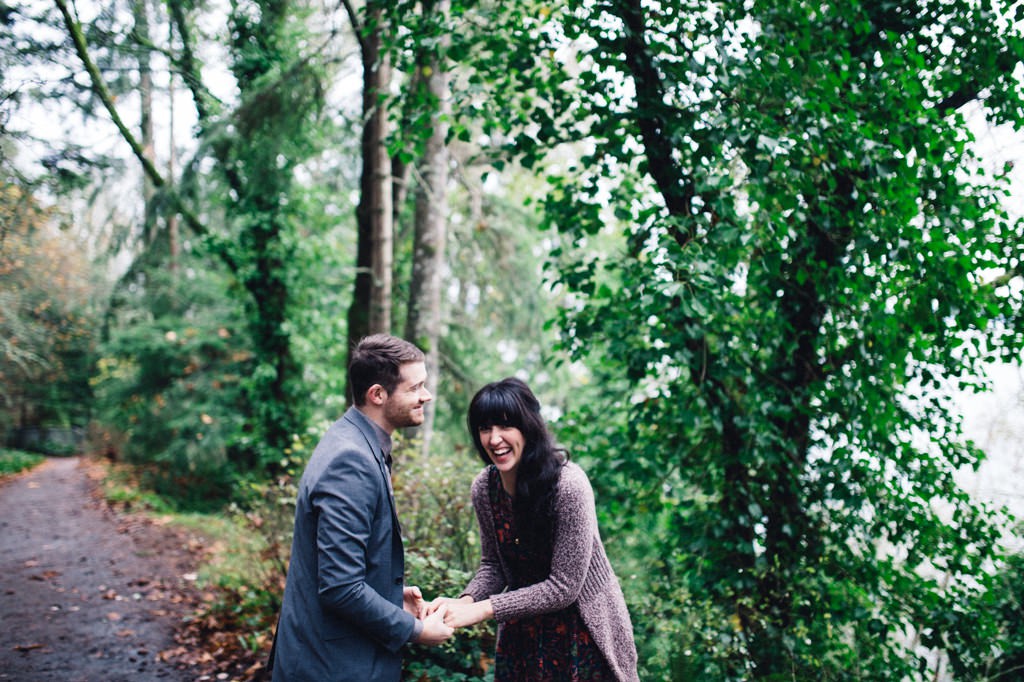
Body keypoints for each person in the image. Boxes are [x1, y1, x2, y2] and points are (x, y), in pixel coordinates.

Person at [428, 377, 639, 681]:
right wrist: (465, 601)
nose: (494, 439)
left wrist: (485, 609)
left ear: (528, 427)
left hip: (582, 633)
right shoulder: (485, 489)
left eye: (505, 426)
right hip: (521, 633)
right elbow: (493, 566)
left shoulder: (569, 486)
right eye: (485, 428)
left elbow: (564, 587)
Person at [271, 334, 453, 681]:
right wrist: (416, 631)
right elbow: (340, 587)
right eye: (416, 387)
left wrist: (389, 594)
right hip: (330, 667)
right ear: (378, 395)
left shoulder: (353, 440)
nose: (426, 396)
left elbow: (339, 569)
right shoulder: (350, 461)